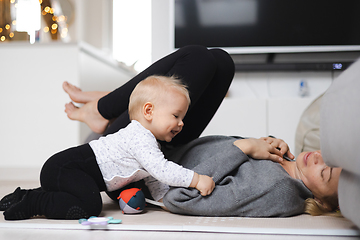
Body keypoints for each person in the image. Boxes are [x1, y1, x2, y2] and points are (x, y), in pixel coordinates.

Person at [61, 46, 341, 217]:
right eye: (326, 155)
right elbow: (227, 159)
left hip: (144, 165)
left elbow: (182, 199)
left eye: (325, 172)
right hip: (164, 147)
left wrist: (244, 147)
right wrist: (263, 143)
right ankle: (105, 107)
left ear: (321, 202)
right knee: (220, 62)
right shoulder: (289, 166)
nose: (318, 157)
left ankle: (102, 108)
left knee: (197, 57)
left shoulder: (282, 192)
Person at [0, 74, 216, 220]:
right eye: (176, 115)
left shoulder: (147, 141)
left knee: (84, 195)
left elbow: (152, 176)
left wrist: (164, 201)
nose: (181, 123)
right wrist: (196, 179)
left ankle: (23, 195)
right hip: (66, 168)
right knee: (89, 206)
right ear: (148, 111)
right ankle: (35, 202)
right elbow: (161, 169)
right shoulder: (139, 137)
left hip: (66, 172)